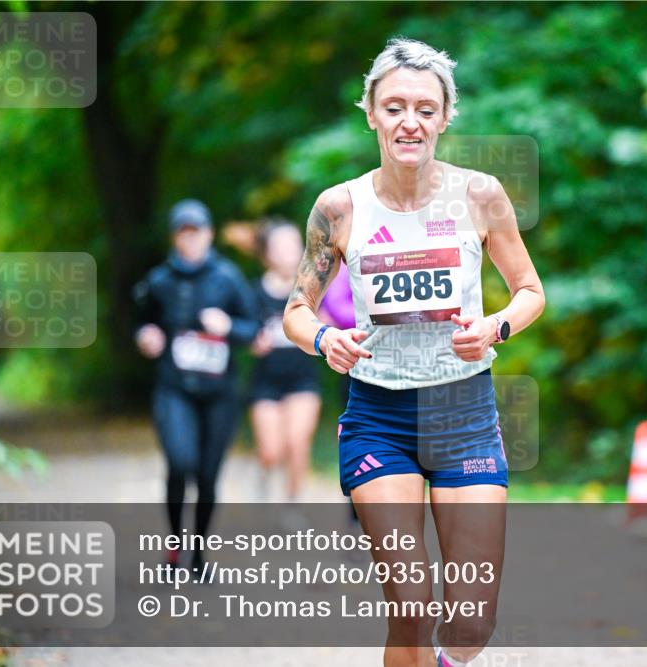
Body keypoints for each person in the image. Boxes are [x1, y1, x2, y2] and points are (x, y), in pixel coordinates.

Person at [283, 38, 545, 667]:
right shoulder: (340, 208)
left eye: (426, 109)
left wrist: (496, 328)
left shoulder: (480, 196)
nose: (410, 122)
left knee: (470, 622)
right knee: (411, 601)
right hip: (380, 417)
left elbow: (530, 292)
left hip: (465, 417)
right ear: (370, 112)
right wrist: (326, 339)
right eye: (395, 106)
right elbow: (295, 311)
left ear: (445, 117)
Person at [133, 199, 259, 574]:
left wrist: (229, 327)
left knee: (206, 475)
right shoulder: (158, 280)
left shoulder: (228, 277)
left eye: (197, 231)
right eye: (183, 233)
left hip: (220, 393)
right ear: (175, 237)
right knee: (180, 463)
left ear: (209, 234)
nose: (190, 239)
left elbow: (254, 329)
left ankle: (199, 552)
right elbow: (141, 322)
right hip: (175, 388)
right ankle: (174, 549)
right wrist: (146, 335)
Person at [248, 220, 322, 514]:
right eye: (280, 247)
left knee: (297, 441)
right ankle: (264, 472)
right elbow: (244, 330)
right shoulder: (254, 292)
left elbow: (330, 322)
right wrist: (252, 339)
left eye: (294, 245)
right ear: (267, 253)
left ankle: (292, 503)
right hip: (265, 383)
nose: (288, 252)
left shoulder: (313, 288)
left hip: (303, 380)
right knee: (271, 451)